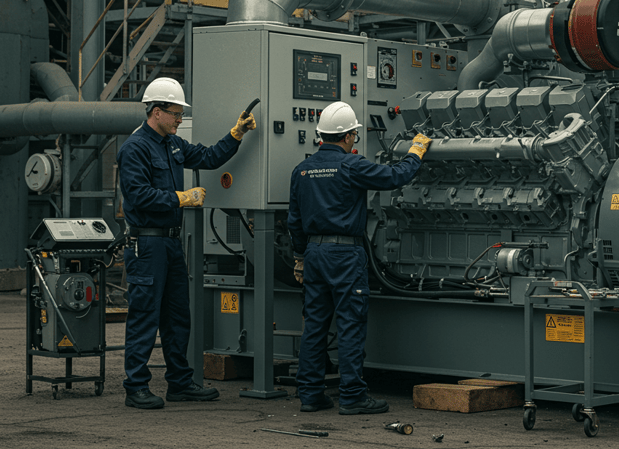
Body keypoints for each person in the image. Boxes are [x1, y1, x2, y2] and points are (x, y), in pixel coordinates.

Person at [118, 77, 257, 409]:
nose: (180, 119)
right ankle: (135, 387)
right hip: (147, 244)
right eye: (176, 113)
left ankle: (179, 383)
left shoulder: (172, 145)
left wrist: (236, 133)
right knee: (144, 316)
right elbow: (136, 196)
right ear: (156, 111)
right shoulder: (134, 148)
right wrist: (180, 198)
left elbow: (208, 157)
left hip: (169, 244)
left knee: (178, 316)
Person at [287, 101, 431, 415]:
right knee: (350, 322)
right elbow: (395, 177)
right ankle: (352, 396)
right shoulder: (353, 166)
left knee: (315, 324)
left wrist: (300, 257)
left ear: (320, 134)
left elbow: (294, 221)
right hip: (343, 253)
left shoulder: (302, 170)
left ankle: (310, 395)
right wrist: (416, 151)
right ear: (350, 136)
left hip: (313, 253)